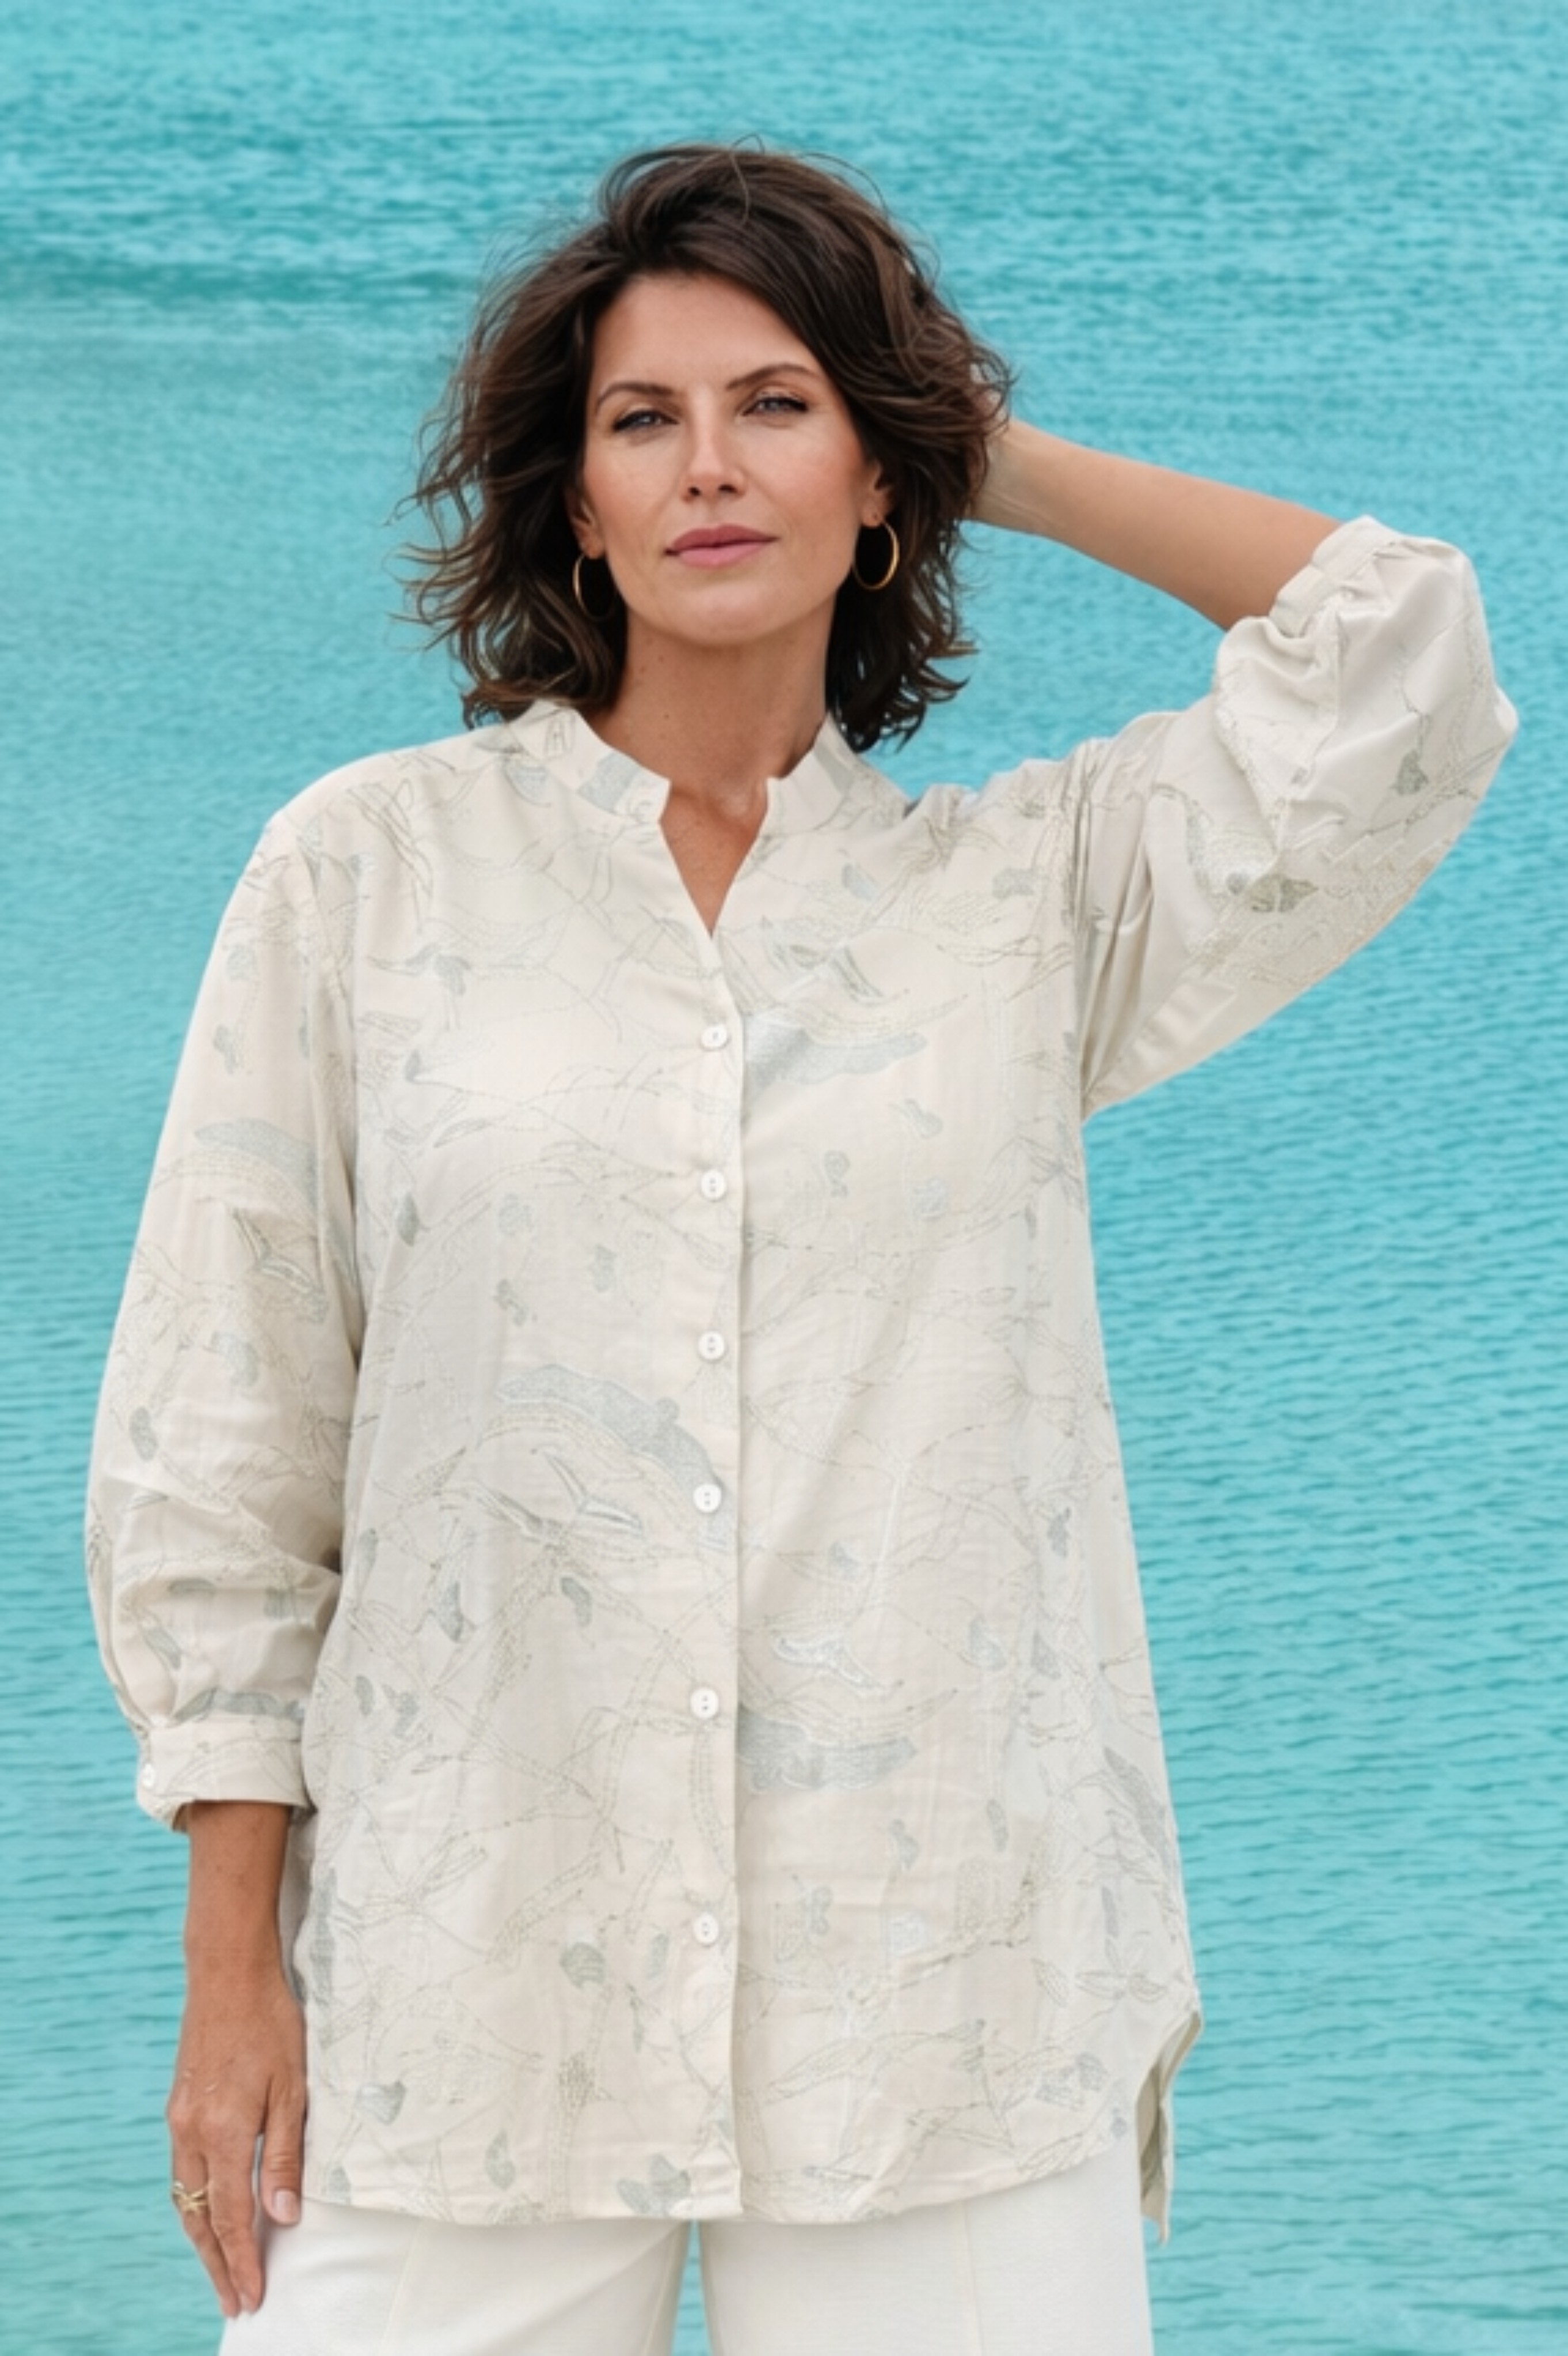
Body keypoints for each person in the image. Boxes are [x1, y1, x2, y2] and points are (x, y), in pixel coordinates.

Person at [87, 143, 1516, 2356]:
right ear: (575, 506)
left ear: (878, 482)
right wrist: (230, 1980)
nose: (707, 466)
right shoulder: (367, 876)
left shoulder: (1019, 901)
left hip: (942, 1997)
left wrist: (980, 448)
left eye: (778, 405)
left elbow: (1400, 655)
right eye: (640, 420)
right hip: (470, 1984)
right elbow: (228, 1429)